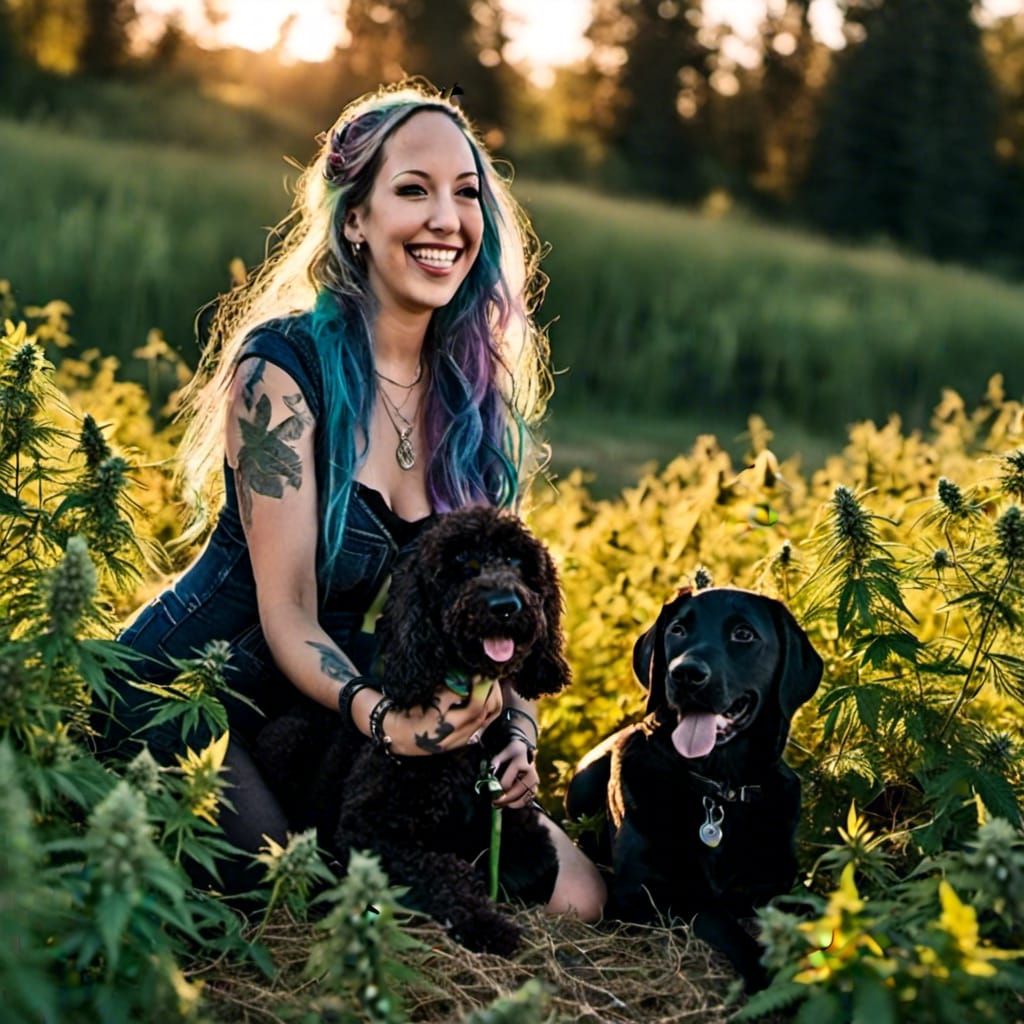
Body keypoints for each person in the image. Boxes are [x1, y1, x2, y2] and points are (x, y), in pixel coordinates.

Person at [93, 80, 605, 920]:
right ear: (355, 220)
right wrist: (385, 723)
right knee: (293, 898)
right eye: (413, 190)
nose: (447, 218)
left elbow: (497, 601)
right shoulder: (281, 370)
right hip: (191, 689)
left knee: (577, 897)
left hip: (324, 715)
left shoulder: (469, 392)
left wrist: (517, 732)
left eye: (466, 193)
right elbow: (290, 609)